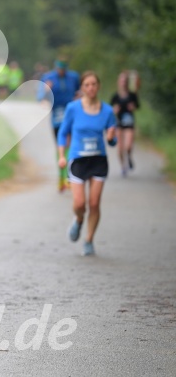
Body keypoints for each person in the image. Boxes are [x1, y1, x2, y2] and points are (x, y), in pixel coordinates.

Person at [57, 71, 116, 256]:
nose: (91, 88)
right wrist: (61, 155)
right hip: (78, 160)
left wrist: (112, 138)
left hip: (98, 160)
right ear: (82, 88)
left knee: (95, 203)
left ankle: (89, 240)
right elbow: (63, 132)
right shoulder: (73, 108)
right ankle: (79, 219)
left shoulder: (107, 111)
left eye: (94, 84)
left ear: (98, 87)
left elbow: (112, 140)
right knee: (80, 203)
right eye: (87, 85)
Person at [38, 57, 81, 192]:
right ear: (55, 67)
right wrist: (46, 90)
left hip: (70, 114)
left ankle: (68, 176)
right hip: (56, 115)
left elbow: (80, 92)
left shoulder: (73, 77)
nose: (61, 71)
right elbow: (40, 98)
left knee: (69, 144)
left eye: (63, 68)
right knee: (59, 146)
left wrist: (78, 98)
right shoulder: (48, 77)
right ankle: (61, 177)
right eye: (59, 68)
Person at [110, 71, 139, 176]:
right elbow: (110, 109)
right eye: (121, 80)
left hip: (129, 123)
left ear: (127, 82)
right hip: (118, 123)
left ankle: (129, 157)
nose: (123, 83)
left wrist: (133, 107)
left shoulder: (132, 95)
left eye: (125, 81)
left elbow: (137, 106)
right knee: (120, 149)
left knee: (128, 146)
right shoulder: (115, 96)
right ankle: (123, 166)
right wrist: (114, 110)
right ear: (118, 82)